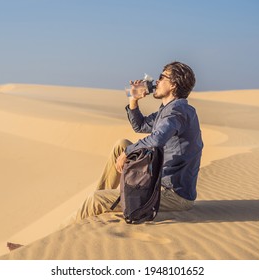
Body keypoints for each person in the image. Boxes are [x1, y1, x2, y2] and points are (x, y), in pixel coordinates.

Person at [75, 61, 203, 221]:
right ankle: (105, 195)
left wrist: (128, 152)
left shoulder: (176, 113)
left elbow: (157, 139)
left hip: (172, 194)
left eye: (161, 77)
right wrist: (133, 100)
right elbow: (140, 125)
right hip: (158, 181)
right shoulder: (169, 110)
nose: (156, 82)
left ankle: (75, 226)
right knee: (121, 145)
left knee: (96, 199)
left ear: (173, 85)